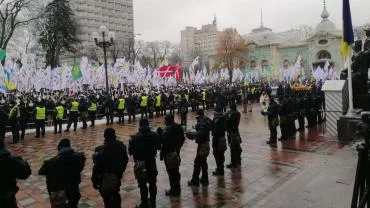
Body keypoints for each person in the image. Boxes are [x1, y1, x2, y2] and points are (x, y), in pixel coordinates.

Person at [39, 139, 86, 208]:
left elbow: (41, 171)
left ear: (59, 149)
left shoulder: (52, 162)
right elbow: (80, 168)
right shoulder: (79, 158)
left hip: (58, 191)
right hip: (74, 189)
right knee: (73, 204)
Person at [92, 128, 129, 208]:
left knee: (107, 198)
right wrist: (121, 171)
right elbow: (125, 160)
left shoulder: (100, 149)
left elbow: (96, 167)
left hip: (104, 177)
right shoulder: (121, 146)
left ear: (105, 136)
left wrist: (94, 181)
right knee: (115, 192)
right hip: (117, 175)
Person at [129, 119, 161, 208]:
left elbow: (131, 152)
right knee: (152, 183)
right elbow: (159, 147)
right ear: (148, 125)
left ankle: (144, 203)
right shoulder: (154, 135)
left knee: (142, 184)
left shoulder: (135, 137)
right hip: (151, 161)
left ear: (140, 126)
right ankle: (153, 202)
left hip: (140, 163)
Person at [158, 115, 185, 196]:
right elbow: (182, 139)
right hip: (176, 152)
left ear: (167, 120)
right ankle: (177, 188)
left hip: (169, 153)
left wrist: (160, 134)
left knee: (171, 172)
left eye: (165, 120)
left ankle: (174, 190)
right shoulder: (178, 127)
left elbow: (164, 142)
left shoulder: (167, 130)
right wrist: (178, 147)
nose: (164, 121)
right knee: (176, 171)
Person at [0, 141, 31, 208]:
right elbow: (25, 173)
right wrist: (22, 162)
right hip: (8, 199)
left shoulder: (10, 161)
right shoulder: (10, 161)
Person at [188, 109, 212, 187]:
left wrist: (193, 135)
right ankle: (205, 179)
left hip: (203, 145)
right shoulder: (206, 120)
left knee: (197, 163)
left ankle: (195, 181)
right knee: (203, 162)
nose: (197, 119)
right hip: (205, 143)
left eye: (197, 117)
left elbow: (201, 133)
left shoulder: (202, 122)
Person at [225, 103, 242, 169]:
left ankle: (233, 163)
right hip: (236, 131)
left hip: (232, 132)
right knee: (237, 146)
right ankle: (238, 160)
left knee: (233, 148)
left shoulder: (231, 114)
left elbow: (227, 121)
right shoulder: (238, 113)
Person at [212, 106, 227, 176]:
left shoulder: (216, 120)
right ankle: (220, 169)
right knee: (221, 154)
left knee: (217, 154)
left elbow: (214, 131)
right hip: (222, 138)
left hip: (217, 139)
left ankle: (220, 170)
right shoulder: (223, 118)